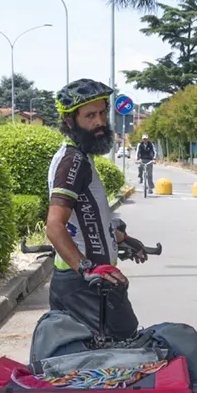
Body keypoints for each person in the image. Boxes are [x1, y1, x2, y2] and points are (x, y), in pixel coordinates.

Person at [44, 78, 149, 340]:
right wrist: (86, 269)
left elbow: (87, 221)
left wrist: (122, 239)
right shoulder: (73, 162)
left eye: (102, 112)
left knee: (106, 356)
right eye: (90, 115)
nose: (100, 122)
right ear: (70, 121)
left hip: (91, 281)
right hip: (84, 285)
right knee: (118, 352)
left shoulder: (81, 158)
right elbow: (54, 226)